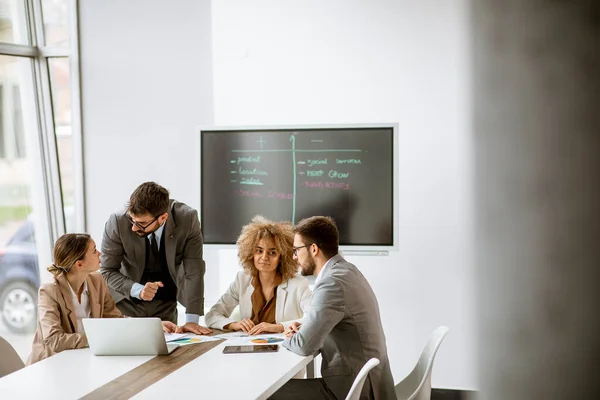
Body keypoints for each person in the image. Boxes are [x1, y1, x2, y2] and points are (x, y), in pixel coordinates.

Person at [270, 216, 396, 400]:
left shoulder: (332, 282)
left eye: (296, 250)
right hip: (368, 381)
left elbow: (304, 346)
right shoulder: (347, 271)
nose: (294, 257)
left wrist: (289, 337)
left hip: (352, 390)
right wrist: (305, 328)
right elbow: (331, 319)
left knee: (267, 393)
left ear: (313, 249)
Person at [28, 234, 177, 364]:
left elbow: (114, 319)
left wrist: (151, 326)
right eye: (94, 251)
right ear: (79, 264)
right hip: (52, 364)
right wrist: (97, 337)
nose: (99, 253)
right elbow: (54, 340)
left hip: (84, 358)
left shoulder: (97, 280)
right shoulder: (49, 290)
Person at [100, 181, 211, 335]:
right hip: (127, 305)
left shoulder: (188, 219)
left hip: (166, 305)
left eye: (141, 223)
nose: (133, 227)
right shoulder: (117, 222)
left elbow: (194, 270)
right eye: (132, 220)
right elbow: (107, 270)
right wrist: (138, 290)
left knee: (168, 355)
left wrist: (192, 320)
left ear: (163, 217)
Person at [205, 216, 312, 334]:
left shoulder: (298, 284)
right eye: (259, 251)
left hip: (283, 347)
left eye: (272, 253)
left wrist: (279, 327)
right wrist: (234, 324)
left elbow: (315, 317)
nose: (264, 257)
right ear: (251, 253)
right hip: (247, 347)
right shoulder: (241, 280)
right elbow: (211, 316)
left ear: (282, 257)